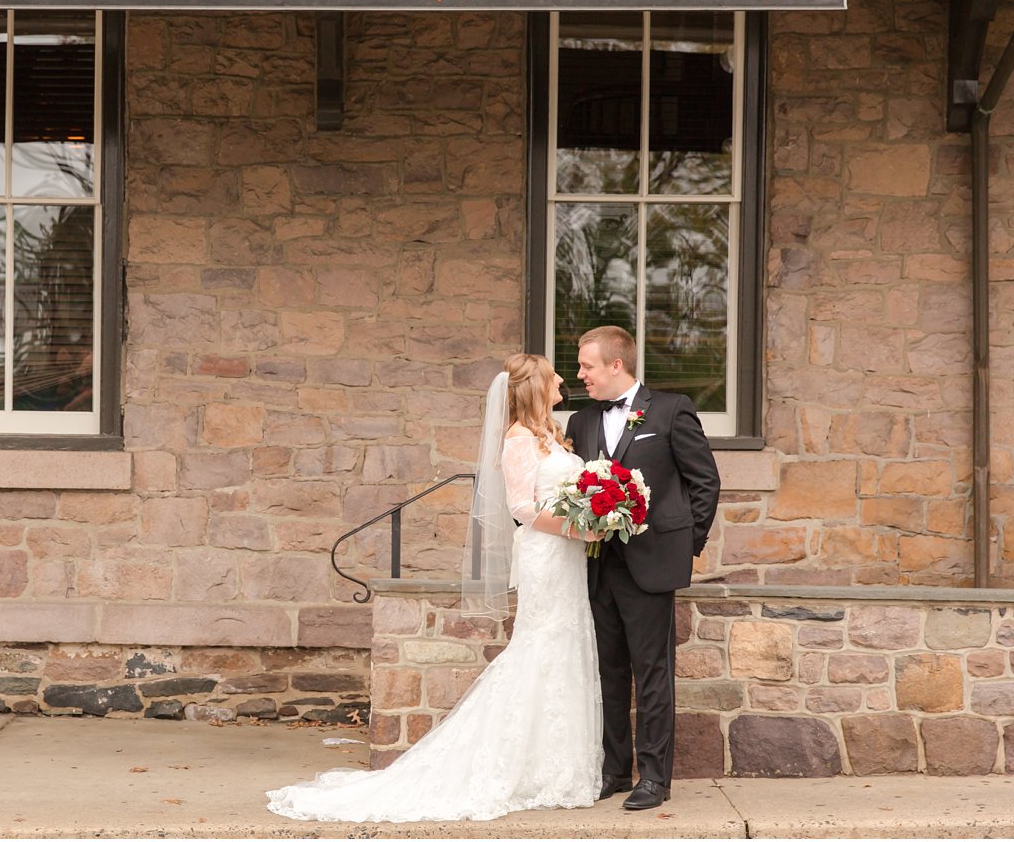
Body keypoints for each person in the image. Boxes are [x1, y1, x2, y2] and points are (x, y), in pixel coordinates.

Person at [267, 353, 604, 823]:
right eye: (553, 375)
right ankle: (512, 766)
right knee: (540, 646)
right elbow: (522, 508)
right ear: (533, 387)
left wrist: (596, 512)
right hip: (547, 557)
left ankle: (555, 769)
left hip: (567, 561)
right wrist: (578, 530)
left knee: (566, 645)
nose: (562, 379)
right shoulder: (518, 439)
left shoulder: (550, 434)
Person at [566, 326, 719, 812]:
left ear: (616, 365)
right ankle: (616, 769)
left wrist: (685, 545)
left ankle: (655, 776)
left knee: (652, 671)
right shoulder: (582, 421)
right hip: (595, 565)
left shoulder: (671, 410)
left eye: (587, 366)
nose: (580, 374)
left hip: (652, 563)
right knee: (608, 670)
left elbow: (704, 483)